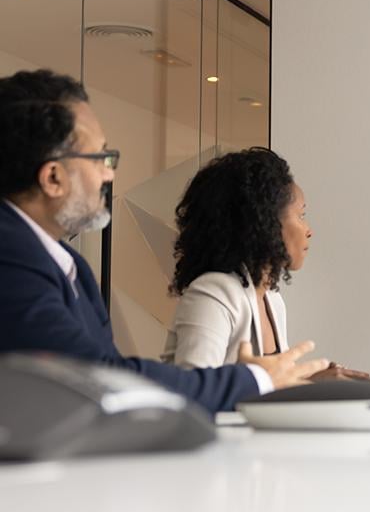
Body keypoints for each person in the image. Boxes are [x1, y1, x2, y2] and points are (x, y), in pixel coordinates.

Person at [0, 69, 328, 413]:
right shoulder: (10, 260)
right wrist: (255, 380)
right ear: (53, 178)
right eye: (101, 158)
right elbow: (98, 381)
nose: (109, 174)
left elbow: (105, 376)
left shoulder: (73, 268)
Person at [162, 147, 370, 381]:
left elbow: (270, 385)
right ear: (265, 222)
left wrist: (312, 382)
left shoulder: (272, 299)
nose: (309, 230)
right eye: (301, 215)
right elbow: (195, 391)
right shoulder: (213, 294)